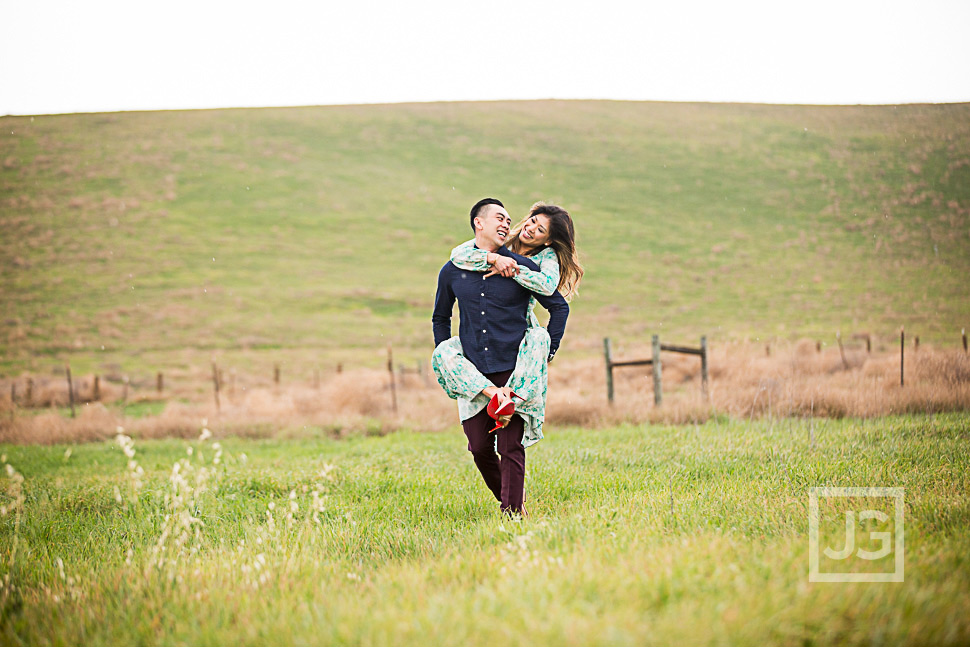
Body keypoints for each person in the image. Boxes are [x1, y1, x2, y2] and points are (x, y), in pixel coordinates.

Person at [431, 198, 572, 516]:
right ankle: (507, 500)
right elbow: (440, 316)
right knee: (479, 447)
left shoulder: (522, 269)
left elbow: (558, 306)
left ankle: (512, 511)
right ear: (478, 223)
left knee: (510, 445)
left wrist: (546, 350)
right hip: (475, 375)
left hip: (513, 369)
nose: (510, 224)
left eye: (510, 219)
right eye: (500, 217)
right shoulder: (453, 269)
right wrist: (447, 354)